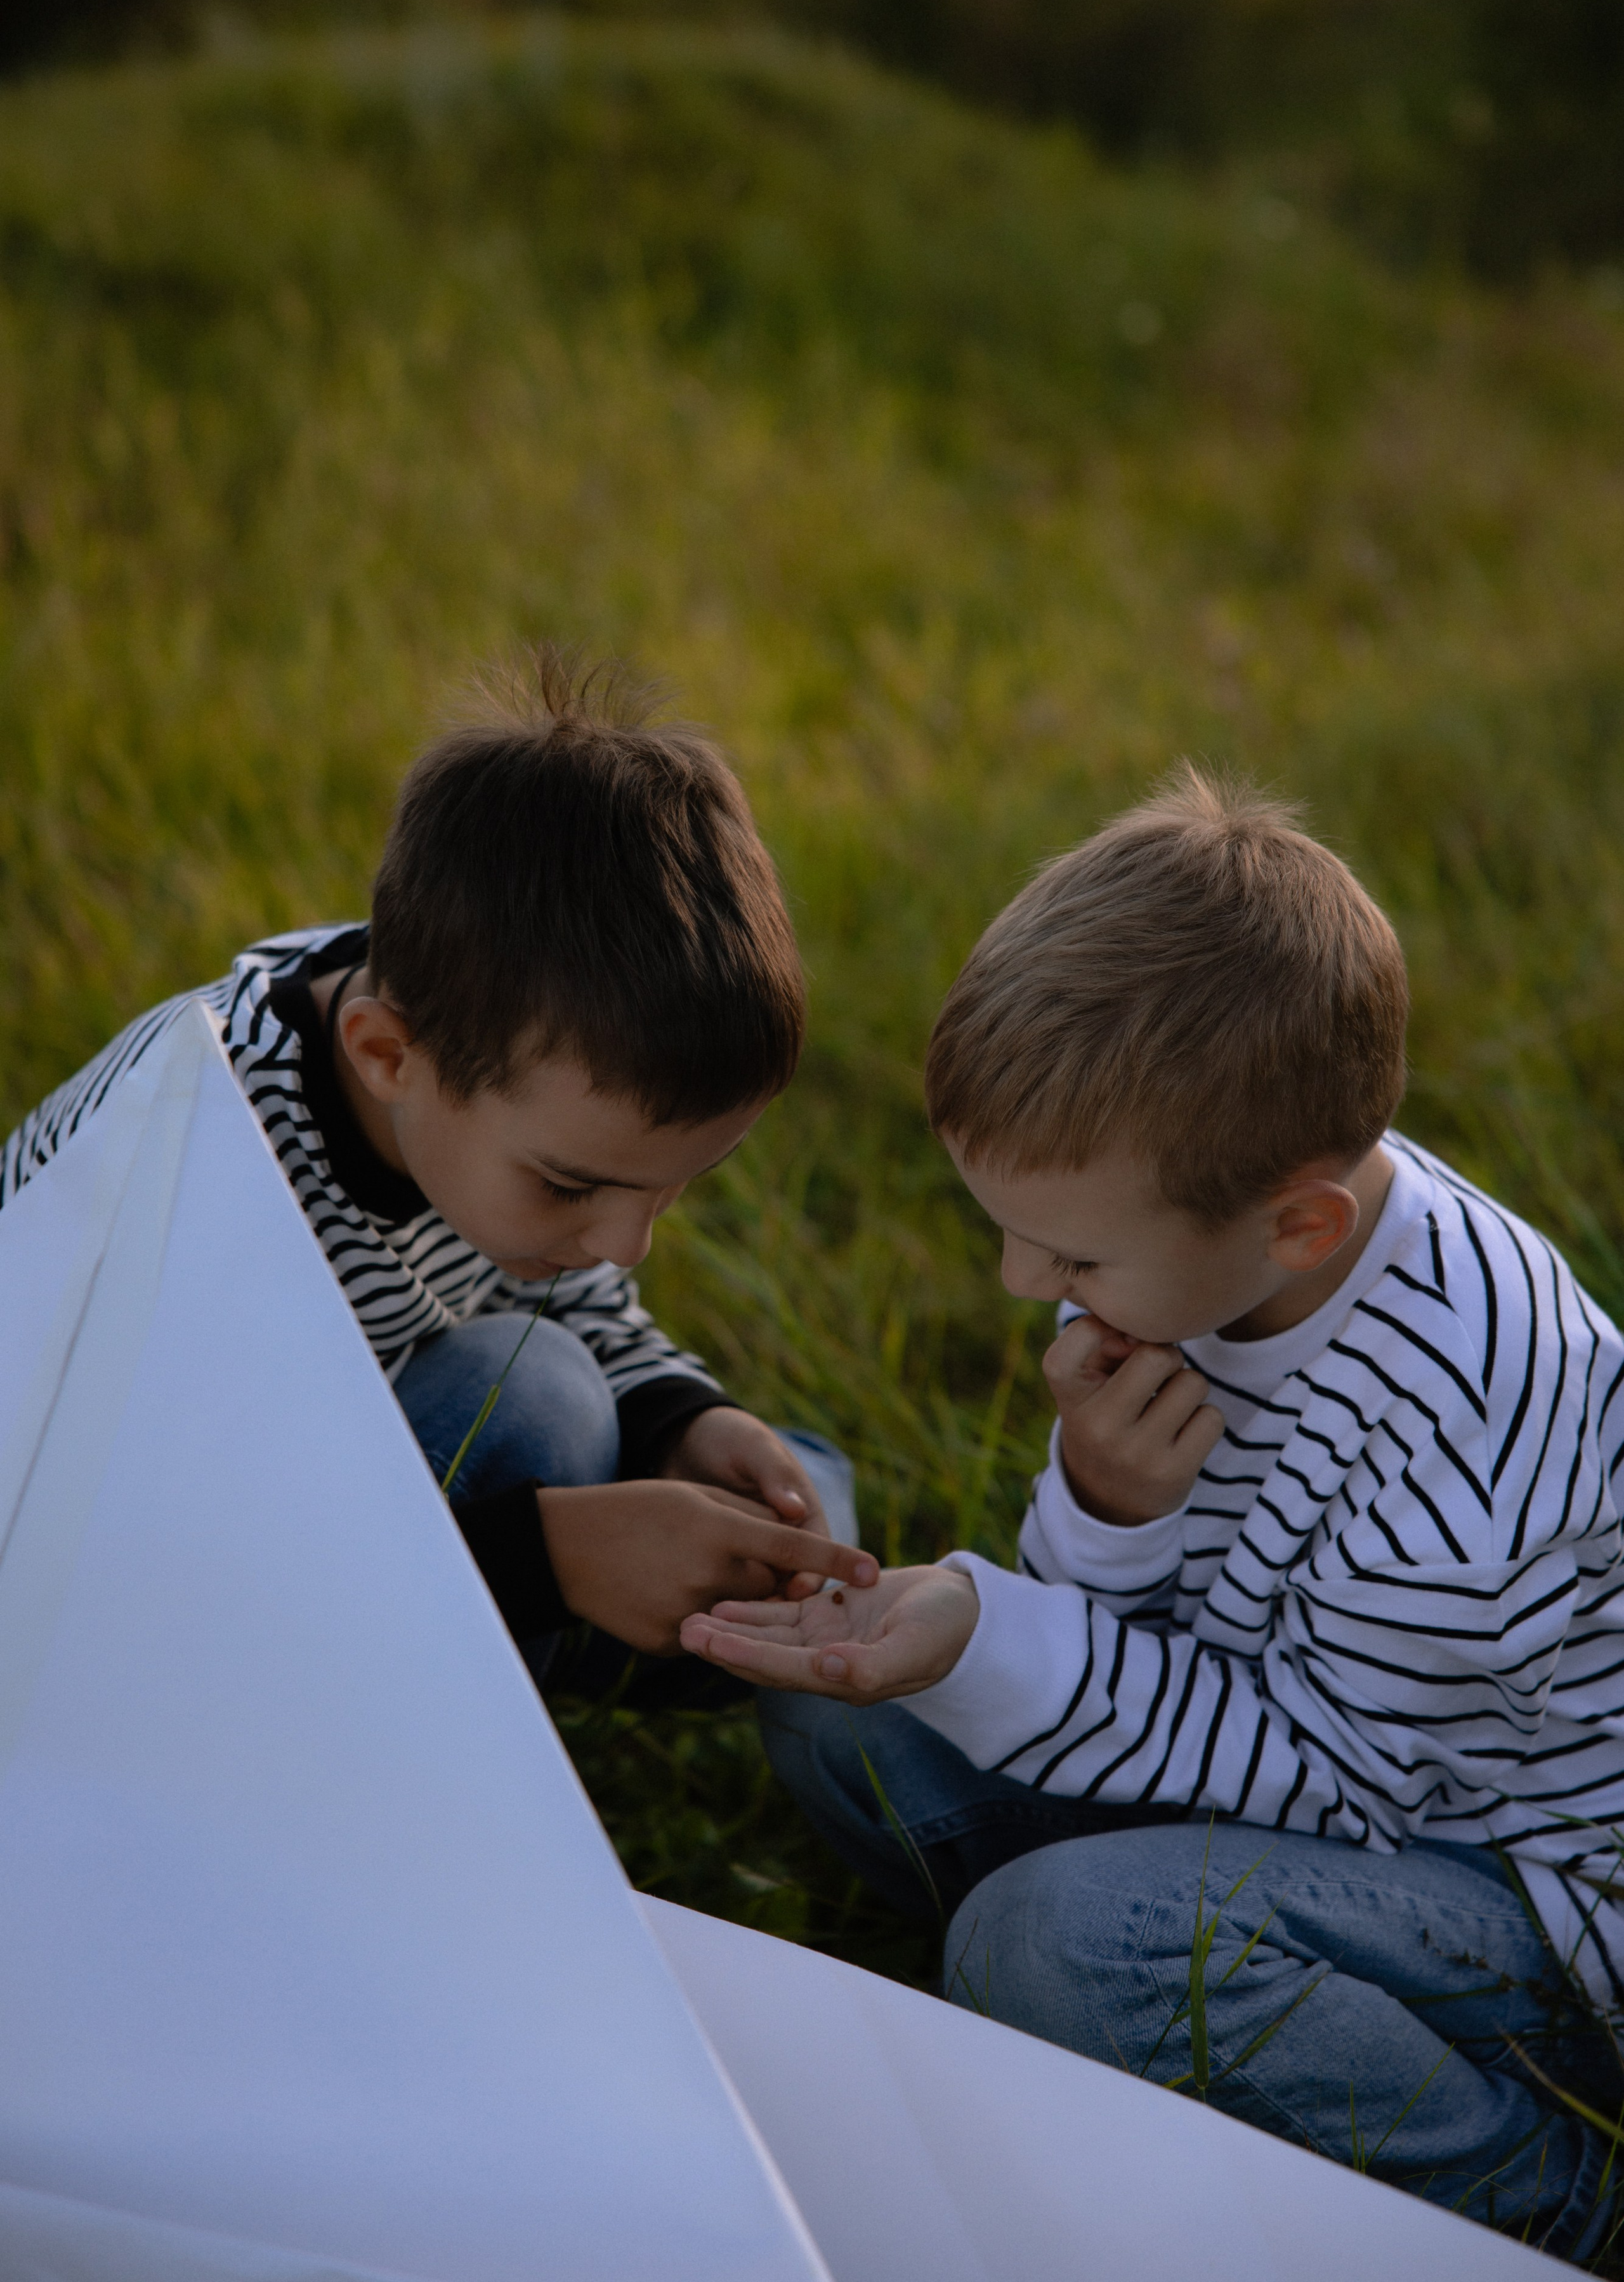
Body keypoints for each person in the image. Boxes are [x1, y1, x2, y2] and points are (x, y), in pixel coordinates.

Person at [682, 766, 1624, 2260]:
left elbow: (1332, 1793)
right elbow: (1159, 1643)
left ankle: (1546, 2200)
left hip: (1524, 1898)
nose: (1021, 1285)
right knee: (833, 1709)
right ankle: (1138, 2025)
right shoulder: (1209, 1238)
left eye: (1065, 1258)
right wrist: (1106, 1507)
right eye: (1009, 1232)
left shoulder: (1468, 1452)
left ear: (1299, 1221)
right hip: (1302, 1760)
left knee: (1045, 1936)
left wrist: (990, 1636)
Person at [0, 655, 875, 1697]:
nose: (627, 1242)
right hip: (109, 1591)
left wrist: (679, 1417)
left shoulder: (460, 1053)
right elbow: (149, 1543)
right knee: (540, 1398)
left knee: (791, 1508)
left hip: (348, 1476)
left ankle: (623, 1600)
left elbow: (566, 1287)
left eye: (670, 1187)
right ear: (384, 1054)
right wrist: (549, 1556)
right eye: (571, 1186)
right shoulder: (203, 1167)